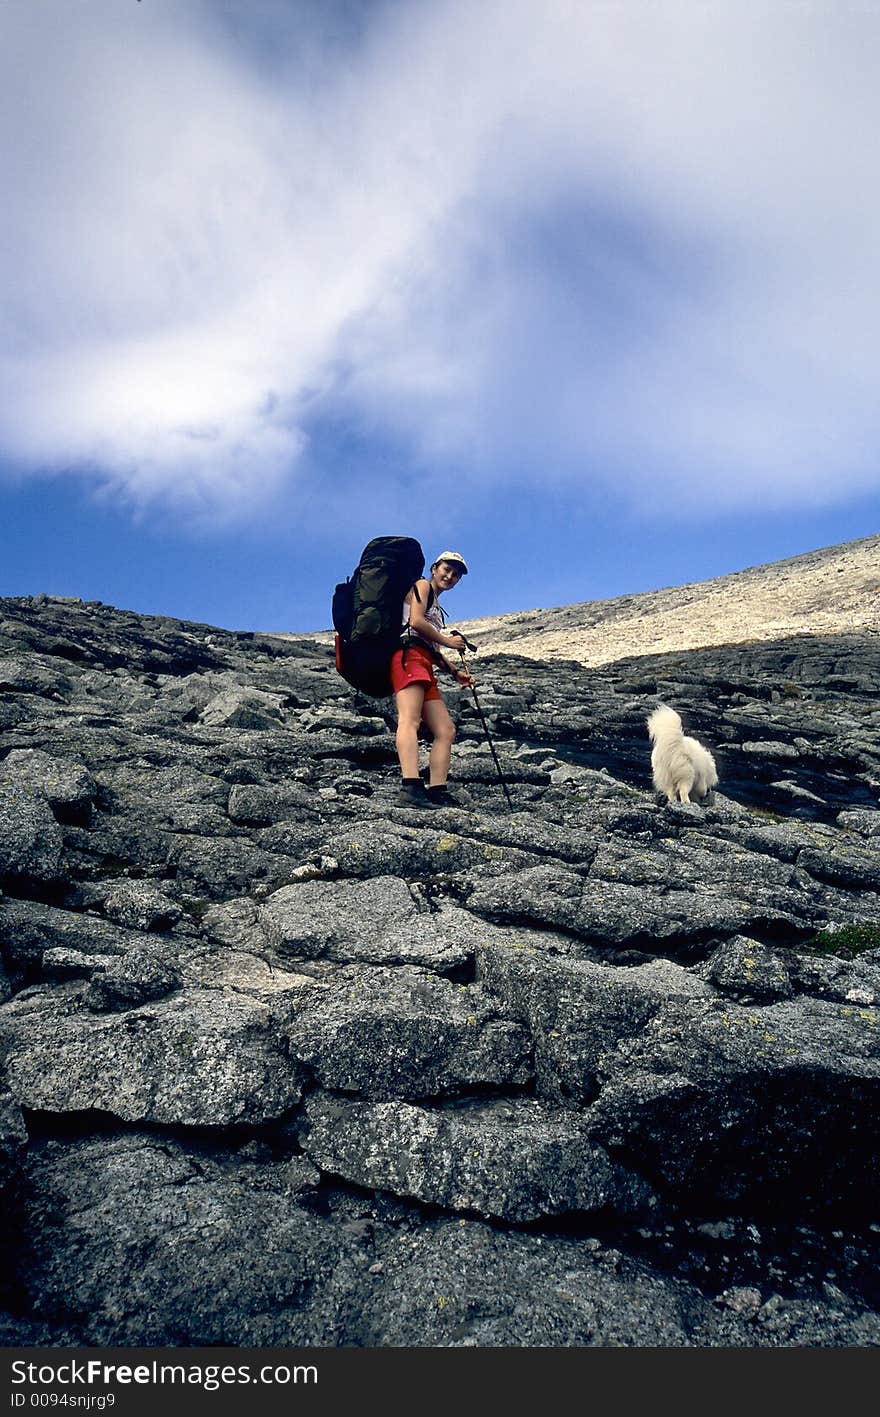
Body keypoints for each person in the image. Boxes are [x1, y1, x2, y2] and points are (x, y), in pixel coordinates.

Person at [391, 550, 474, 807]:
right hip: (407, 657)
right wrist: (449, 641)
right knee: (410, 720)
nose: (450, 576)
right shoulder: (422, 586)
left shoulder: (436, 605)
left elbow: (431, 646)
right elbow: (415, 623)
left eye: (456, 575)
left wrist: (454, 671)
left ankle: (437, 789)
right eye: (447, 570)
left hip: (423, 661)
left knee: (446, 730)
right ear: (435, 568)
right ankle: (410, 788)